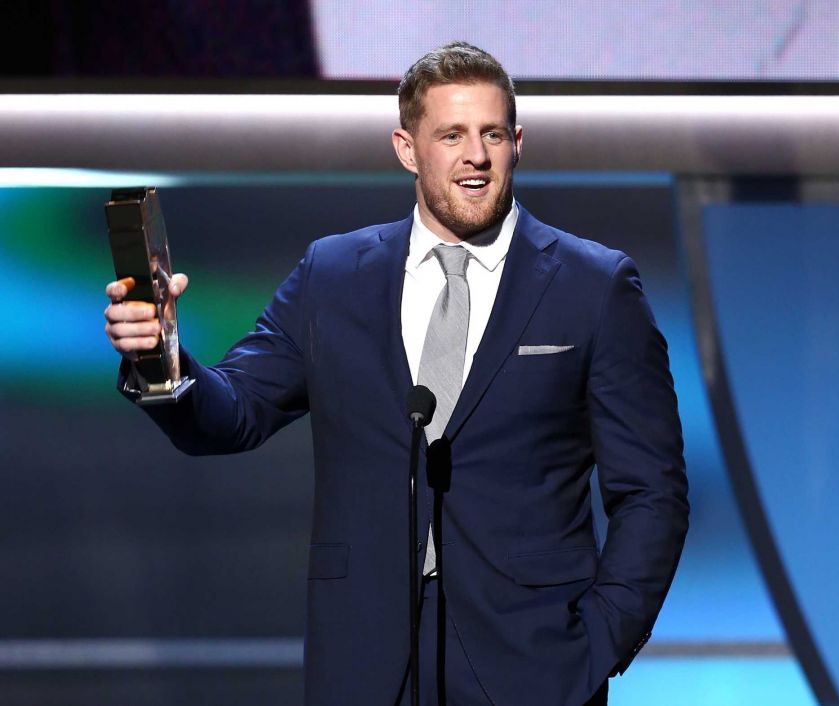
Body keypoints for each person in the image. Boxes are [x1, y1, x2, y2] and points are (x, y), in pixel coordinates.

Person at [104, 42, 689, 706]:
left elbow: (653, 493)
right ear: (407, 148)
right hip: (365, 660)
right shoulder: (333, 275)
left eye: (492, 134)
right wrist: (163, 356)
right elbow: (233, 411)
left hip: (533, 663)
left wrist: (598, 644)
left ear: (517, 143)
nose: (476, 155)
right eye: (451, 135)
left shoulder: (594, 285)